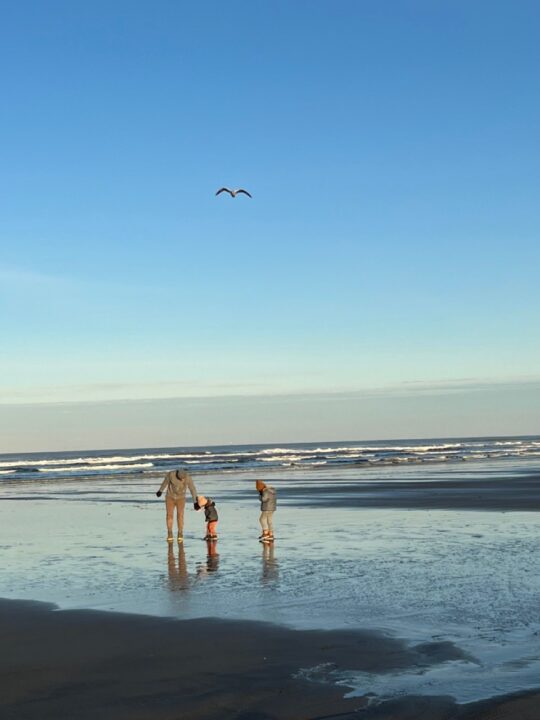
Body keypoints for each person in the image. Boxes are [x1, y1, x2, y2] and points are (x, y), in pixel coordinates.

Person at [156, 468, 198, 543]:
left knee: (180, 515)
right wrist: (160, 490)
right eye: (181, 478)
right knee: (169, 515)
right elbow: (165, 482)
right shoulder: (171, 474)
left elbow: (192, 489)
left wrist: (195, 502)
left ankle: (180, 533)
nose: (182, 480)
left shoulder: (188, 477)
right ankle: (170, 533)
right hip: (170, 497)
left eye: (183, 479)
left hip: (181, 498)